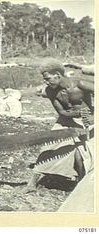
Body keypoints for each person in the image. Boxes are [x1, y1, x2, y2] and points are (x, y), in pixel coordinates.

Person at [22, 58, 94, 193]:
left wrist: (92, 114)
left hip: (87, 120)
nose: (45, 82)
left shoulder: (80, 83)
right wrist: (79, 113)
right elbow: (62, 112)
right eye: (44, 79)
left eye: (48, 78)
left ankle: (81, 184)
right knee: (49, 146)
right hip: (65, 120)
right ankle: (32, 183)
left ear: (58, 75)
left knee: (82, 153)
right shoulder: (50, 91)